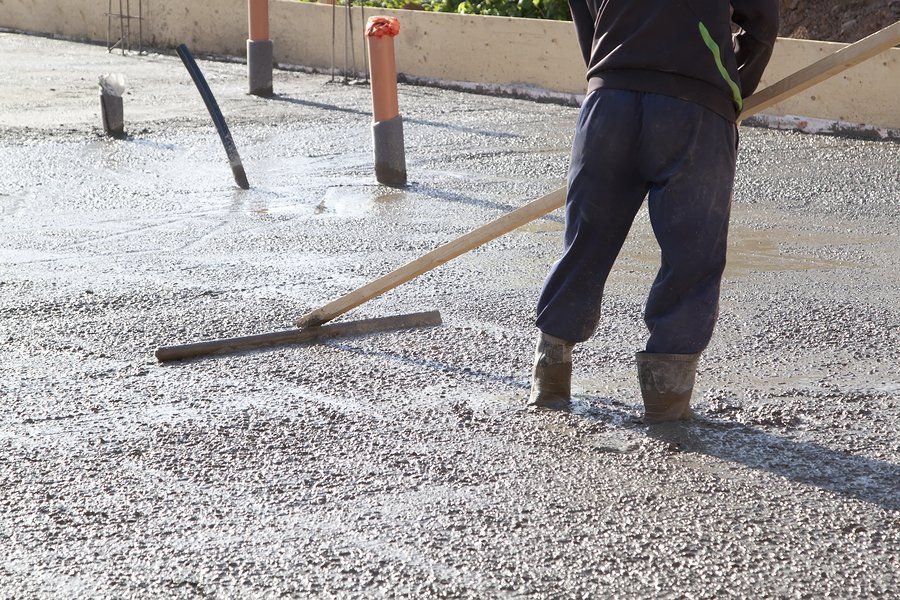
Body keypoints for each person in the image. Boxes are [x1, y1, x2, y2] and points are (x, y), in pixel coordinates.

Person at [529, 0, 780, 421]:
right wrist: (733, 87)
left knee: (587, 239)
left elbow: (586, 16)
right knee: (692, 252)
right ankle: (667, 400)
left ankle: (550, 375)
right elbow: (761, 24)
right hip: (694, 107)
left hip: (609, 103)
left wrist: (612, 71)